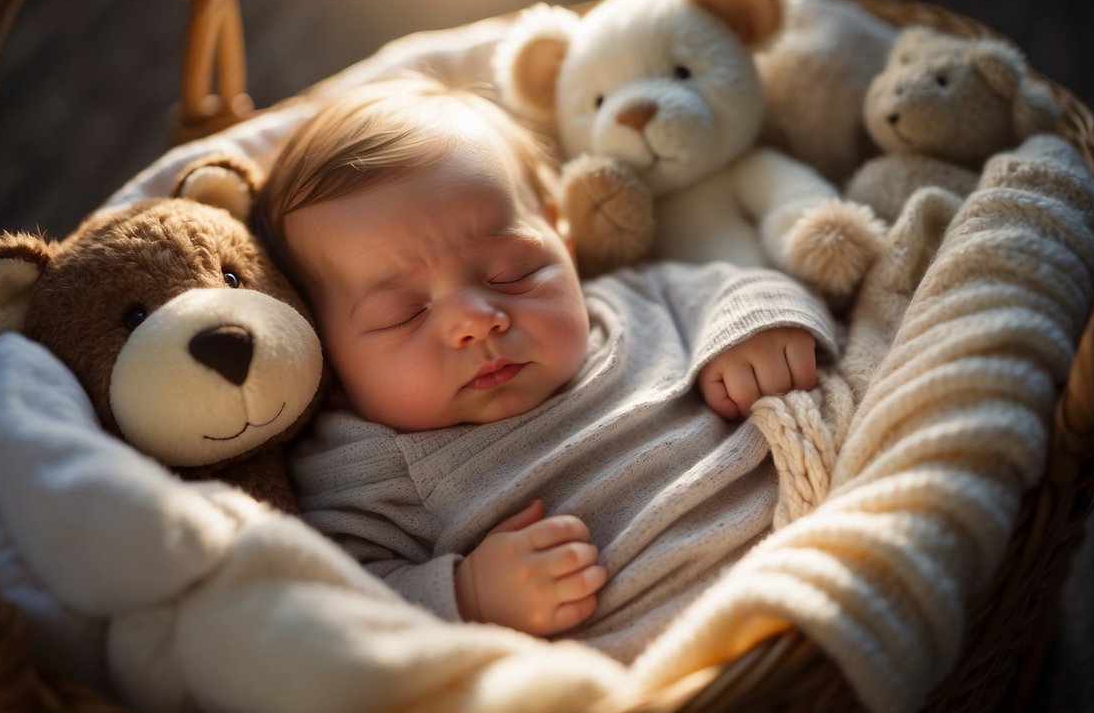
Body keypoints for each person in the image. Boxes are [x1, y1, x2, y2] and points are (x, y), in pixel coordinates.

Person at [253, 76, 837, 662]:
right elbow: (335, 606)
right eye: (403, 314)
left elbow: (734, 286)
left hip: (814, 554)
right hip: (658, 675)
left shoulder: (631, 302)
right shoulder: (369, 462)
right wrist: (466, 595)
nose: (475, 322)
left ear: (562, 238)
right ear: (324, 349)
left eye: (510, 273)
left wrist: (761, 328)